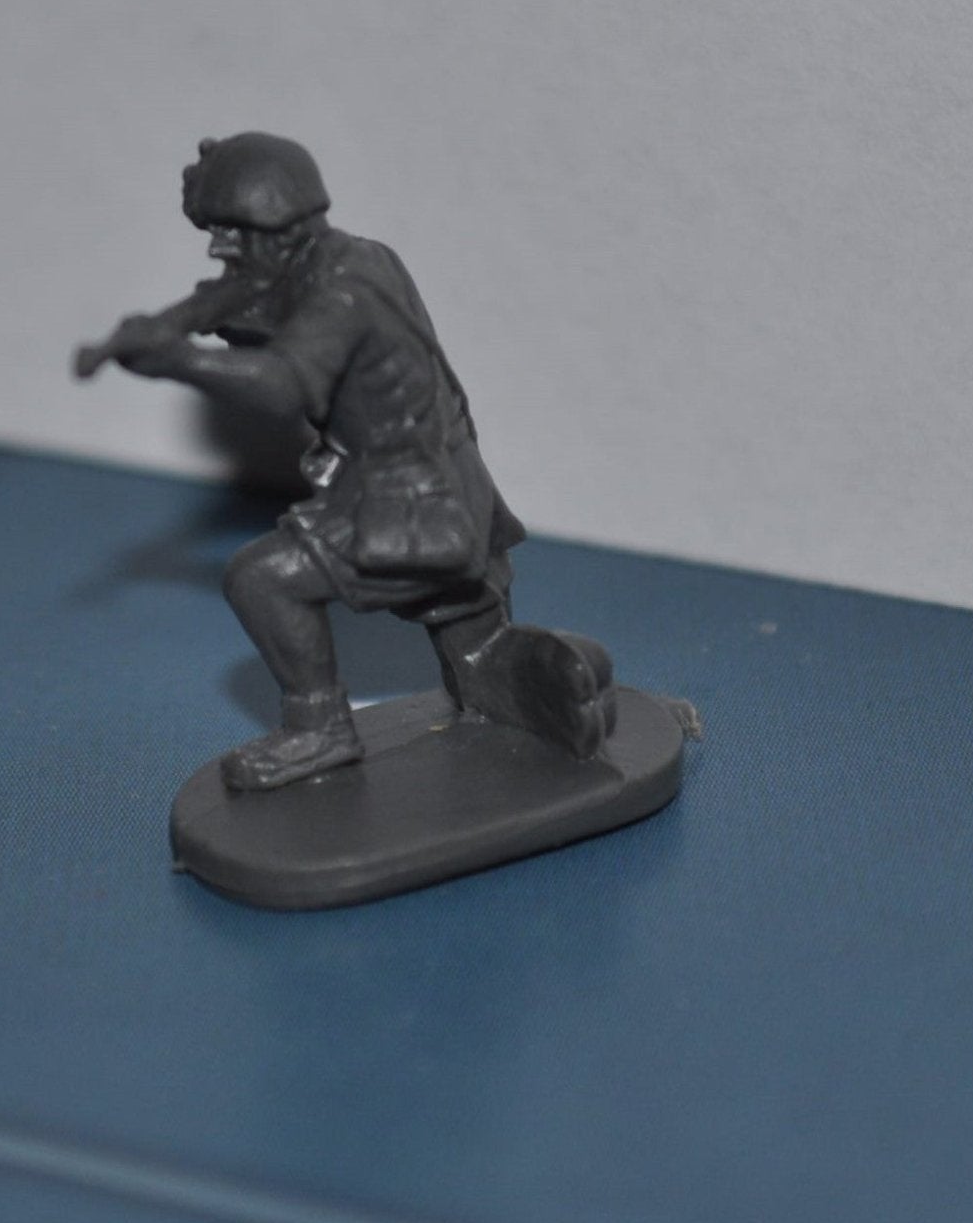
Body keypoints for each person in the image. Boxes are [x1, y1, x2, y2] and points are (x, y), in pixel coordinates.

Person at [81, 133, 616, 790]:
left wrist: (177, 359)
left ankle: (321, 727)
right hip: (441, 481)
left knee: (260, 581)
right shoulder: (341, 260)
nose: (220, 247)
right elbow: (233, 294)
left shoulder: (342, 293)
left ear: (281, 228)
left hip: (409, 497)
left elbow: (284, 384)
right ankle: (519, 681)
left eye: (230, 232)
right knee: (468, 641)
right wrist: (166, 322)